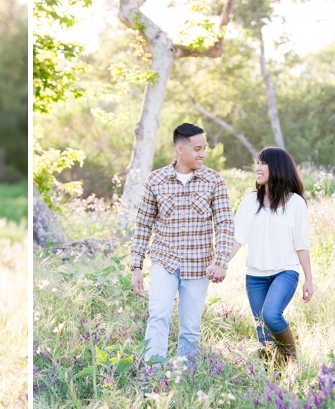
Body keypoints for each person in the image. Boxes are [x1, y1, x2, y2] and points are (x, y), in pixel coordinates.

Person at [131, 123, 234, 364]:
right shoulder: (155, 180)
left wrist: (221, 262)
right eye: (197, 148)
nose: (202, 154)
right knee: (158, 316)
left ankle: (184, 377)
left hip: (198, 266)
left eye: (204, 148)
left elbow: (225, 224)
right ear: (180, 149)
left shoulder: (213, 180)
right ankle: (153, 373)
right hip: (164, 262)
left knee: (190, 327)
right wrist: (137, 266)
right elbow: (143, 225)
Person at [226, 147, 313, 364]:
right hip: (254, 277)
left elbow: (302, 245)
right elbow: (237, 239)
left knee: (271, 315)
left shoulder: (295, 203)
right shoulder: (249, 202)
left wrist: (308, 279)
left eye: (263, 163)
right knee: (263, 333)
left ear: (277, 167)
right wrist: (220, 263)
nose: (257, 168)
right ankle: (272, 378)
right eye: (257, 162)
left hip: (285, 272)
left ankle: (292, 361)